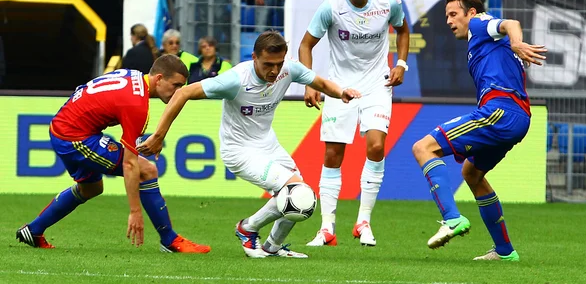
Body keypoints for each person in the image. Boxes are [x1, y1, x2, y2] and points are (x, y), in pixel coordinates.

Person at [137, 31, 361, 258]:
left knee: (302, 198)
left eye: (278, 64)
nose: (274, 71)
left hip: (268, 144)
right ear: (254, 57)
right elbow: (183, 92)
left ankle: (273, 246)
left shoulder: (288, 69)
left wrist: (341, 92)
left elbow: (319, 82)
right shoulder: (235, 79)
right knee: (294, 192)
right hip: (239, 151)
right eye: (268, 65)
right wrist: (158, 135)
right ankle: (248, 229)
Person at [16, 55, 211, 253]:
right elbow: (129, 165)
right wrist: (135, 211)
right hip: (73, 136)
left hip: (65, 127)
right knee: (147, 170)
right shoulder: (137, 104)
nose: (178, 92)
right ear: (159, 79)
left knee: (91, 188)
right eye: (175, 85)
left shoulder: (133, 76)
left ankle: (34, 230)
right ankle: (170, 240)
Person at [412, 0, 546, 261]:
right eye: (446, 16)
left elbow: (510, 24)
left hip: (500, 111)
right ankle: (505, 252)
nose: (449, 21)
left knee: (423, 147)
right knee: (472, 173)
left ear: (471, 13)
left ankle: (451, 219)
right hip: (517, 116)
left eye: (454, 14)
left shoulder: (478, 24)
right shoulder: (483, 43)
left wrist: (517, 42)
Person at [299, 0, 410, 247]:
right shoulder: (331, 7)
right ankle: (327, 229)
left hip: (378, 84)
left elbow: (403, 30)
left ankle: (363, 222)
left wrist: (401, 63)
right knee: (333, 155)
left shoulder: (388, 3)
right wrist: (310, 82)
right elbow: (305, 45)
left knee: (375, 145)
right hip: (340, 88)